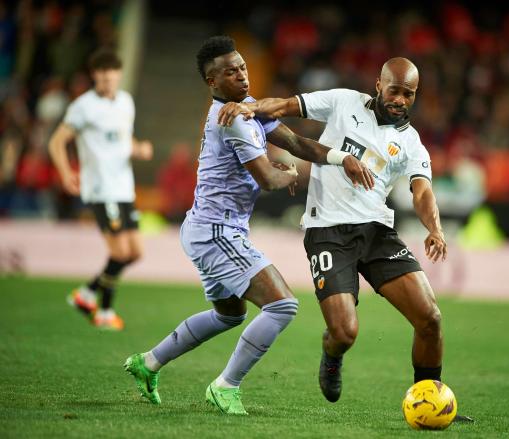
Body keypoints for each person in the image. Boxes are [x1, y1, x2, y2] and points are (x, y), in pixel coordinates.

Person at [123, 35, 373, 415]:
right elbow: (268, 179)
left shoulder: (248, 110)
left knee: (230, 314)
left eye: (242, 67)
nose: (242, 75)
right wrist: (289, 176)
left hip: (211, 229)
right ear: (212, 82)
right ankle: (225, 387)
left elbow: (297, 142)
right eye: (230, 71)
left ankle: (149, 363)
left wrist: (342, 159)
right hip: (216, 231)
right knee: (283, 305)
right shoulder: (233, 123)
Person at [218, 58, 453, 403]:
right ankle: (332, 355)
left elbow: (422, 191)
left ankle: (428, 397)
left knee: (430, 318)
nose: (401, 100)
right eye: (395, 90)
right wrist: (247, 107)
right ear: (378, 85)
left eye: (409, 94)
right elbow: (286, 105)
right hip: (328, 231)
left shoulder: (412, 143)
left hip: (376, 234)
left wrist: (435, 228)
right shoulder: (344, 102)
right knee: (345, 333)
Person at [49, 48, 153, 330]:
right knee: (119, 253)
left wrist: (138, 148)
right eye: (102, 75)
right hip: (100, 188)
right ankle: (104, 311)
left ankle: (85, 294)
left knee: (135, 253)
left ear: (118, 74)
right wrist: (65, 172)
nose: (107, 79)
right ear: (95, 75)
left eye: (111, 74)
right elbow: (57, 141)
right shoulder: (83, 106)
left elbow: (124, 137)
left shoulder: (125, 102)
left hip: (124, 187)